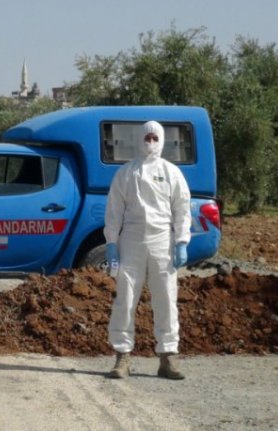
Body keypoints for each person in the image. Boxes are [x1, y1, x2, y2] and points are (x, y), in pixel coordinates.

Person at [104, 120, 191, 380]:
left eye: (155, 138)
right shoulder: (126, 173)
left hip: (163, 240)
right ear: (139, 139)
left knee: (165, 298)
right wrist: (111, 242)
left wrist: (182, 242)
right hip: (131, 240)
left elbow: (182, 208)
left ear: (162, 140)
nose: (150, 143)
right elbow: (114, 210)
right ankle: (122, 357)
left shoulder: (172, 172)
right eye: (147, 138)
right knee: (126, 298)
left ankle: (168, 357)